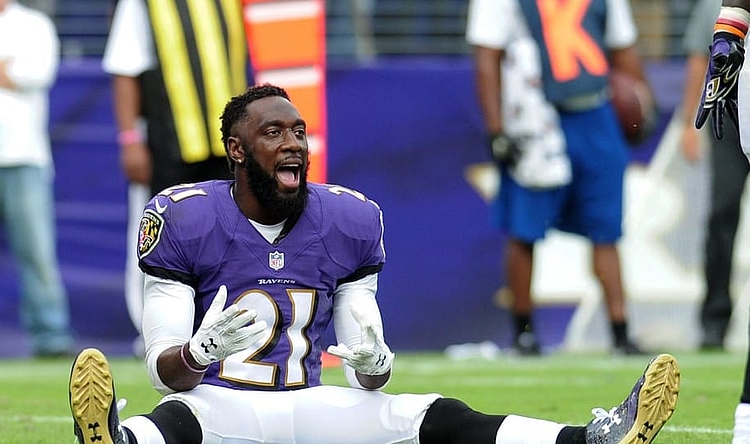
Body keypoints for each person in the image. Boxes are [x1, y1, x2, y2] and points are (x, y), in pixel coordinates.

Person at [68, 84, 680, 444]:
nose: (293, 144)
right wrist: (200, 354)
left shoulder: (348, 218)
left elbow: (365, 371)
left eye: (299, 131)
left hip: (309, 407)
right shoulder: (182, 216)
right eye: (274, 133)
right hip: (217, 407)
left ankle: (587, 440)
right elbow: (163, 370)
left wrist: (375, 360)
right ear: (236, 151)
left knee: (424, 414)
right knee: (168, 422)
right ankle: (112, 441)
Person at [466, 0, 655, 356]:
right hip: (535, 112)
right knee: (525, 227)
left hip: (595, 109)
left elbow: (623, 48)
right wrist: (496, 128)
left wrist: (643, 106)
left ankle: (620, 332)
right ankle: (523, 333)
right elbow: (487, 56)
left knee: (606, 228)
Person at [101, 0, 252, 355]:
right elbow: (125, 69)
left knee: (230, 234)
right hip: (167, 140)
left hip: (227, 142)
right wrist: (130, 139)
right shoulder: (144, 4)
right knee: (156, 235)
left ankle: (226, 329)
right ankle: (155, 333)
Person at [0, 0, 73, 358]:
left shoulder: (34, 24)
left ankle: (51, 336)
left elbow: (37, 73)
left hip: (25, 157)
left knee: (38, 254)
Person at [695, 1, 750, 441]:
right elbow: (708, 55)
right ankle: (714, 320)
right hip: (737, 107)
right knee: (722, 214)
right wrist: (728, 32)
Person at [680, 0, 749, 351]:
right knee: (722, 212)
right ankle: (714, 320)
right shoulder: (714, 5)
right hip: (731, 116)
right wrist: (688, 125)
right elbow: (699, 59)